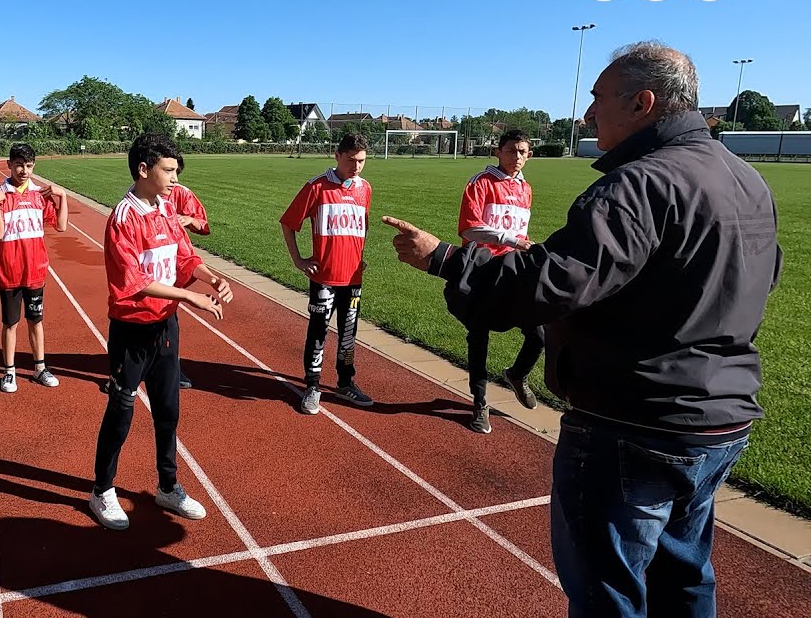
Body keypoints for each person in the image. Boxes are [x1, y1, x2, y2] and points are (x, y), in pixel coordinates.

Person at [382, 41, 783, 617]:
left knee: (607, 592)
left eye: (597, 99)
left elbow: (550, 282)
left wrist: (445, 260)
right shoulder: (748, 181)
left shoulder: (639, 185)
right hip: (719, 421)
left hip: (632, 420)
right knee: (684, 577)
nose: (588, 114)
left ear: (643, 102)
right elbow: (762, 278)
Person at [90, 134, 233, 531]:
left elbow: (185, 256)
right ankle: (102, 490)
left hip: (166, 328)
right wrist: (191, 298)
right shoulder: (124, 217)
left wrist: (210, 278)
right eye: (169, 170)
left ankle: (168, 486)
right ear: (143, 170)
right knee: (121, 412)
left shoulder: (167, 209)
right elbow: (134, 282)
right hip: (132, 331)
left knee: (168, 412)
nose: (175, 178)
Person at [279, 133, 375, 416]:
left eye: (361, 161)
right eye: (351, 160)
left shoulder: (365, 188)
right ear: (337, 156)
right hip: (325, 277)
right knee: (319, 331)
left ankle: (346, 383)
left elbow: (361, 226)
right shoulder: (317, 187)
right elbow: (288, 223)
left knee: (348, 334)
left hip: (353, 278)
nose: (356, 167)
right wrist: (298, 260)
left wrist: (359, 256)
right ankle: (312, 385)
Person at [457, 129, 542, 433]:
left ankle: (517, 374)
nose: (516, 157)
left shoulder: (526, 189)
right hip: (484, 270)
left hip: (515, 270)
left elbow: (522, 231)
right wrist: (509, 239)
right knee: (479, 338)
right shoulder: (482, 182)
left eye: (522, 152)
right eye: (510, 151)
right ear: (498, 152)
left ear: (528, 155)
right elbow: (468, 229)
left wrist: (525, 246)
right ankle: (480, 403)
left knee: (540, 332)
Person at [0, 142, 68, 393]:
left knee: (36, 320)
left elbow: (61, 226)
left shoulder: (38, 196)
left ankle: (40, 367)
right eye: (19, 164)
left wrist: (62, 196)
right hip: (10, 272)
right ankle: (9, 372)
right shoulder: (0, 195)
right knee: (10, 323)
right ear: (9, 164)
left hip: (35, 271)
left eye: (29, 165)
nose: (24, 170)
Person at [167, 157, 210, 388]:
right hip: (148, 268)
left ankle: (173, 368)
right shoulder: (137, 197)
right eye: (168, 171)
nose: (173, 179)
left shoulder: (182, 193)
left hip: (175, 264)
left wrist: (190, 219)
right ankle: (121, 374)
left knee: (169, 320)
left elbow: (204, 226)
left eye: (175, 172)